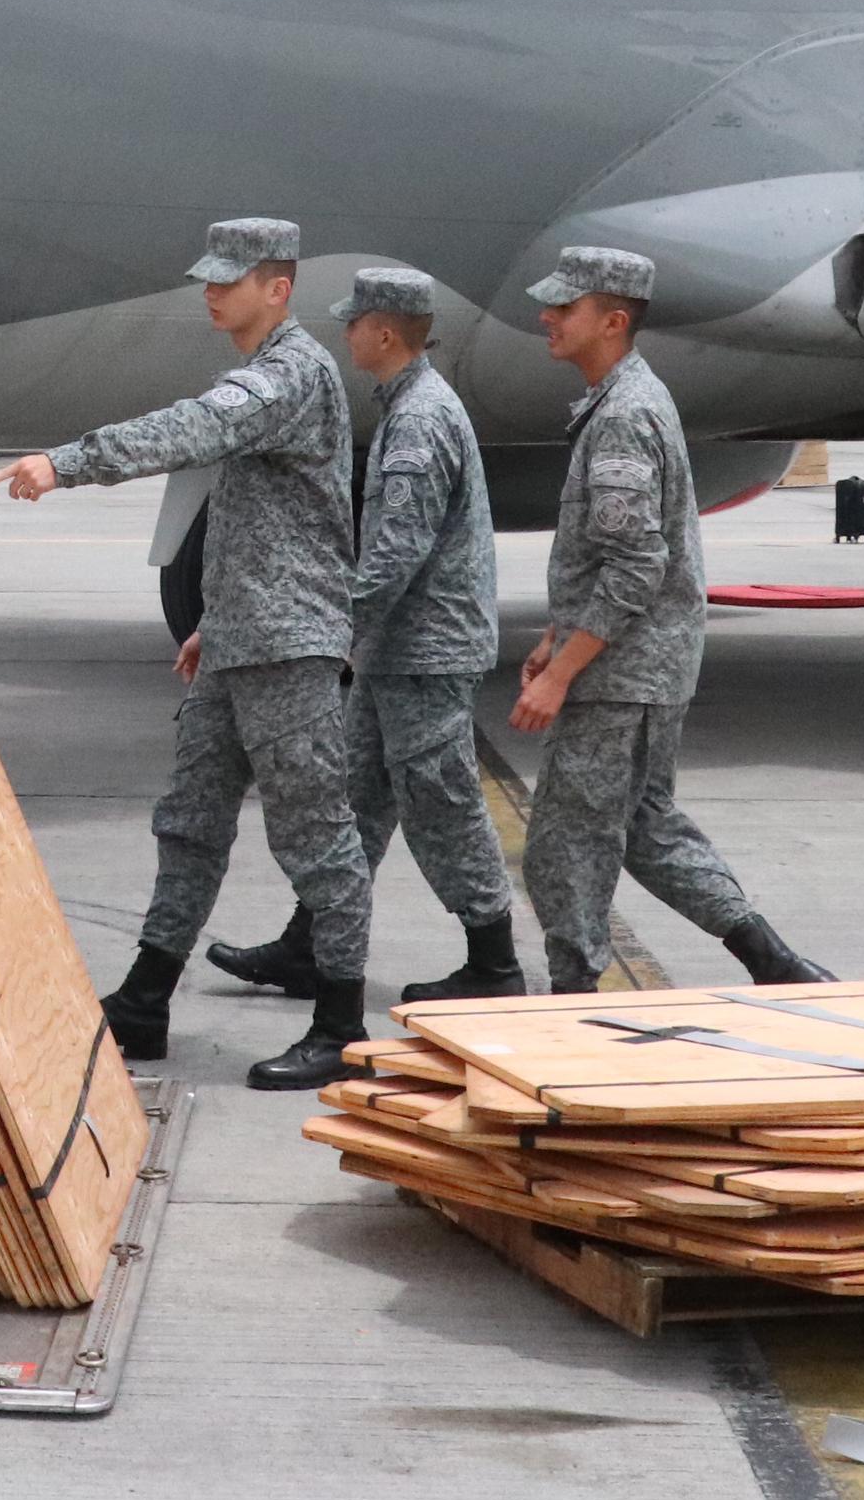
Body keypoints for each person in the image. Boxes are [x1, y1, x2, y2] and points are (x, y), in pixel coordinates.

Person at [0, 217, 373, 1091]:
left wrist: (67, 462)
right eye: (210, 277)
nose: (212, 292)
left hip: (288, 649)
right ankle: (145, 1000)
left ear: (278, 288)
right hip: (241, 639)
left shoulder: (289, 373)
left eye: (230, 280)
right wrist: (217, 618)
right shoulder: (266, 370)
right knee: (190, 824)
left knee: (317, 838)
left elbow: (193, 429)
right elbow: (269, 523)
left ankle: (341, 1023)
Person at [505, 245, 830, 995]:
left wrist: (561, 674)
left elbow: (635, 564)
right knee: (644, 827)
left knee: (564, 841)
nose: (547, 317)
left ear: (613, 321)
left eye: (566, 307)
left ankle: (573, 994)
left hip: (623, 673)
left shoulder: (623, 416)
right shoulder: (624, 400)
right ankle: (774, 962)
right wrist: (554, 635)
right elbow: (609, 554)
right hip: (642, 664)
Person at [207, 265, 524, 1008]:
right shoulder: (405, 406)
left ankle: (494, 962)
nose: (345, 332)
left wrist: (331, 627)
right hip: (397, 653)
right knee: (355, 799)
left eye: (353, 322)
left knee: (441, 801)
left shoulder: (419, 420)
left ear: (383, 333)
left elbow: (393, 554)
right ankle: (310, 946)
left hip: (427, 653)